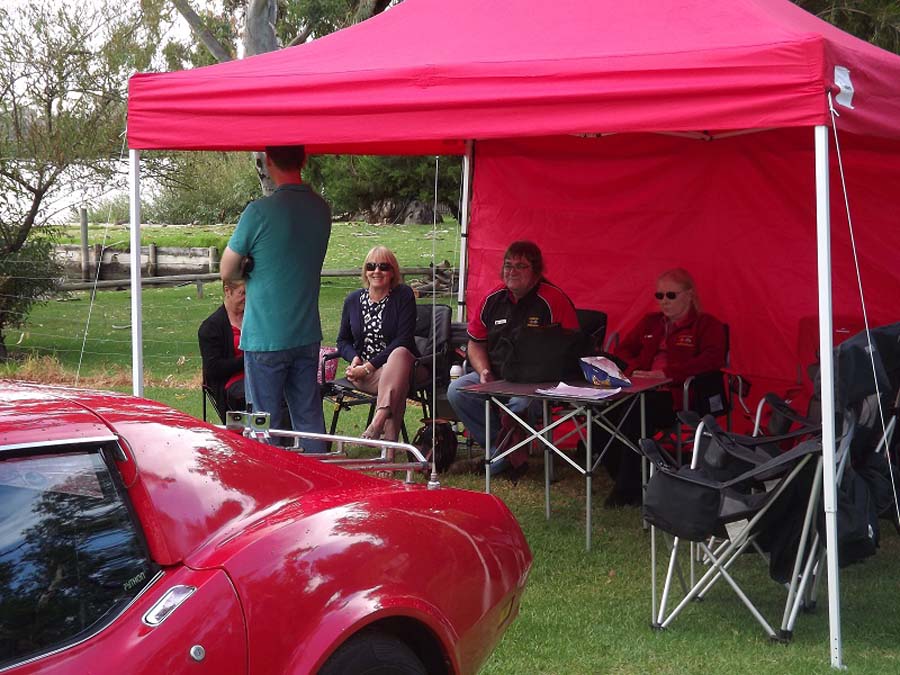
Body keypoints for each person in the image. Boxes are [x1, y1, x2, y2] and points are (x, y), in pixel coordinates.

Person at [220, 145, 331, 452]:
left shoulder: (258, 212)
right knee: (308, 416)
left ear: (267, 161)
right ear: (304, 158)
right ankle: (317, 473)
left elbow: (227, 270)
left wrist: (246, 266)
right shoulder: (321, 210)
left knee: (264, 421)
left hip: (265, 336)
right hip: (306, 332)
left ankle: (270, 474)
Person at [447, 240, 580, 477]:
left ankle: (497, 460)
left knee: (519, 405)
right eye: (508, 265)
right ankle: (503, 453)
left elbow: (573, 347)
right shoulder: (492, 299)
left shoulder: (553, 300)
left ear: (536, 271)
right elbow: (475, 343)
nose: (512, 271)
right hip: (499, 376)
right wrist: (484, 370)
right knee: (457, 391)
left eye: (520, 266)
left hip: (539, 382)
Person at [603, 267, 727, 506]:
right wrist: (636, 370)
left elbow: (712, 360)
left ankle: (628, 490)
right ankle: (627, 478)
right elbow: (623, 350)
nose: (664, 301)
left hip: (678, 396)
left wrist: (666, 374)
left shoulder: (706, 325)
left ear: (689, 295)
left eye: (671, 295)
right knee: (602, 413)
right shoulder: (651, 323)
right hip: (640, 389)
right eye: (659, 295)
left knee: (635, 413)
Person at [336, 246, 424, 442]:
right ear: (365, 271)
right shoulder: (353, 300)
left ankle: (378, 421)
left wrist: (368, 367)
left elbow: (404, 339)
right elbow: (342, 340)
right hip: (366, 375)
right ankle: (388, 451)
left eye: (383, 267)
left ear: (393, 272)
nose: (376, 271)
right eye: (371, 266)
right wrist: (354, 358)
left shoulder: (403, 295)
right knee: (396, 385)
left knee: (399, 355)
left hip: (407, 368)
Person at [198, 279, 247, 421]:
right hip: (231, 382)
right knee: (262, 393)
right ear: (227, 291)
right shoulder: (210, 327)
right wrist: (248, 360)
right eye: (242, 293)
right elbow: (213, 368)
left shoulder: (255, 318)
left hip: (261, 375)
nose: (247, 298)